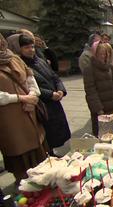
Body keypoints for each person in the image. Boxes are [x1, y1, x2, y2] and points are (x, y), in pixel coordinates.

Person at [8, 34, 71, 155]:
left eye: (32, 46)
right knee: (47, 133)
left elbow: (54, 76)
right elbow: (28, 86)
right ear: (19, 49)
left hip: (54, 102)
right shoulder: (21, 65)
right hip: (42, 104)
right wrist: (50, 94)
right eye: (26, 47)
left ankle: (52, 154)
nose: (31, 49)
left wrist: (60, 90)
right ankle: (48, 155)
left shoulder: (40, 60)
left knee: (57, 132)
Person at [0, 33, 47, 183]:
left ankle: (43, 184)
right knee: (20, 156)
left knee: (39, 153)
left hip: (29, 113)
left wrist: (32, 97)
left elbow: (30, 79)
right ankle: (26, 187)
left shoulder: (14, 58)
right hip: (10, 121)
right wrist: (21, 98)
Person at [83, 42, 113, 136]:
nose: (103, 56)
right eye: (100, 54)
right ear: (95, 54)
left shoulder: (110, 67)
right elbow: (90, 91)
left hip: (111, 106)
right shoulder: (89, 69)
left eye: (105, 53)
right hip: (100, 108)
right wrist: (98, 109)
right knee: (102, 135)